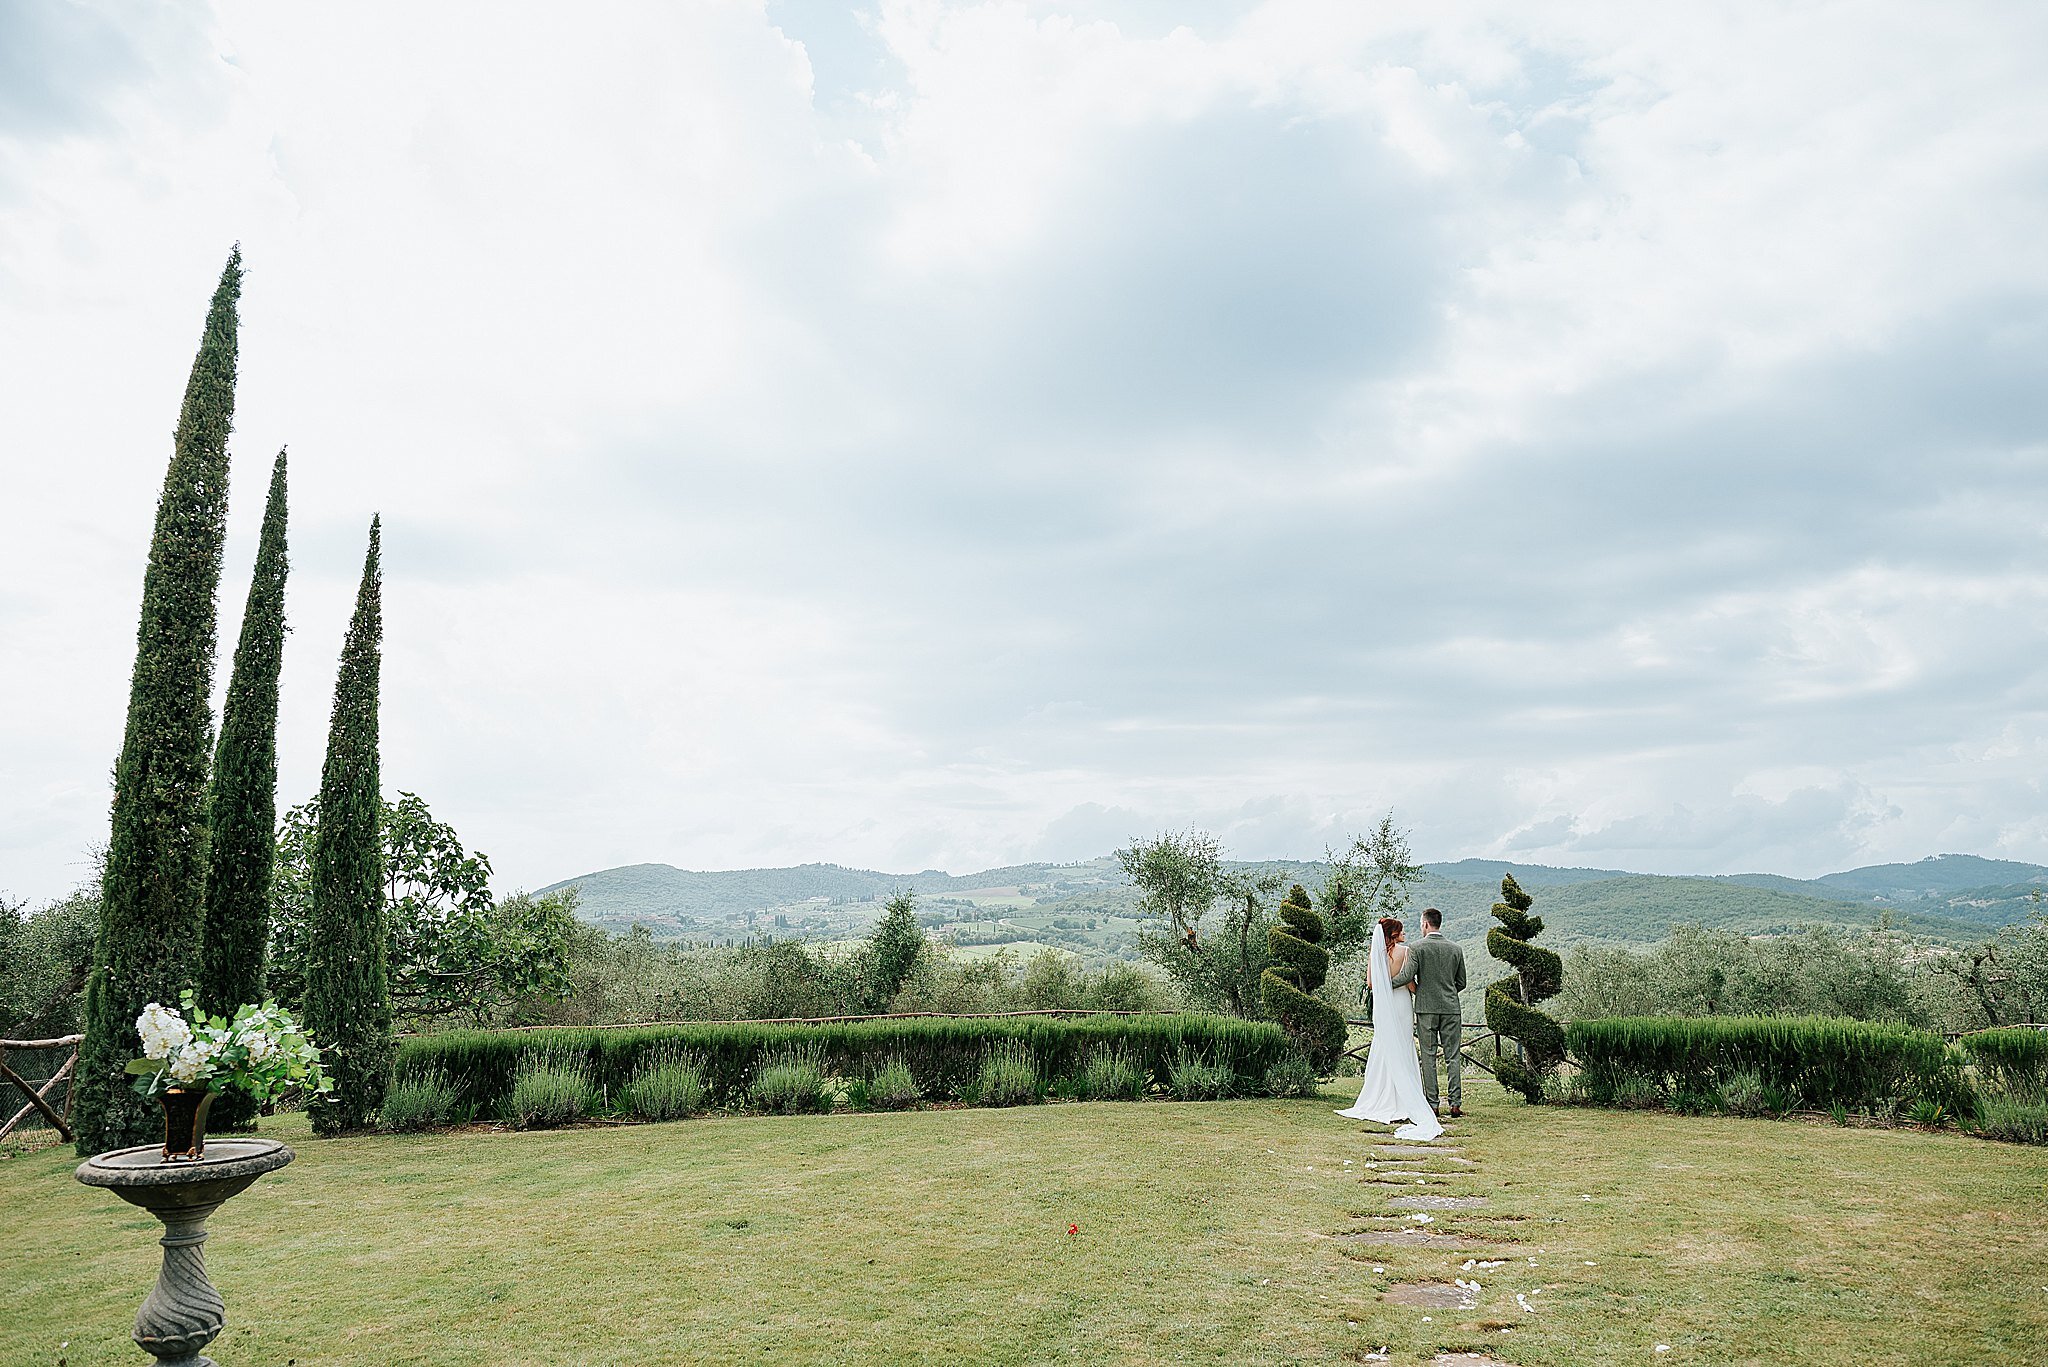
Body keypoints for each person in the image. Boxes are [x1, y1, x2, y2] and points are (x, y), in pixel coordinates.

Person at [1334, 916, 1443, 1140]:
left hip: (1386, 1005)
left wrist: (1386, 980)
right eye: (1401, 930)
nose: (1405, 933)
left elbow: (1372, 984)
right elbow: (1410, 982)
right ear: (1394, 933)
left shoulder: (1376, 954)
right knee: (1403, 1045)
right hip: (1402, 1003)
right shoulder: (1406, 952)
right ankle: (1404, 1098)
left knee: (1384, 1046)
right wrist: (1418, 990)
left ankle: (1379, 1096)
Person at [1391, 907, 1468, 1117]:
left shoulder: (1416, 948)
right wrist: (1448, 993)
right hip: (1452, 1009)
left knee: (1429, 1055)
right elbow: (1461, 982)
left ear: (1425, 924)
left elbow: (1406, 976)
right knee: (1453, 1056)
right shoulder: (1456, 949)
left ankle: (1432, 1104)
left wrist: (1384, 983)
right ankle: (1455, 1104)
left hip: (1425, 1009)